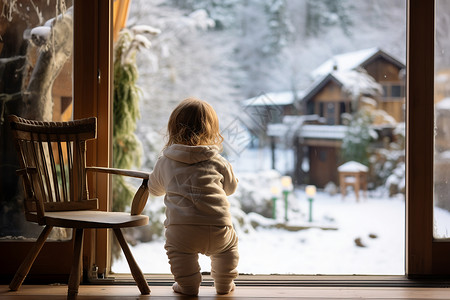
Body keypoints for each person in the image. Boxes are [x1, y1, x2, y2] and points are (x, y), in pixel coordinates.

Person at [148, 97, 239, 296]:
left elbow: (154, 190)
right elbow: (230, 188)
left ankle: (187, 286)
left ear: (173, 129)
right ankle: (224, 284)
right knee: (227, 250)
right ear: (212, 131)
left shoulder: (165, 161)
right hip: (218, 227)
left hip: (182, 230)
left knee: (179, 255)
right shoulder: (218, 161)